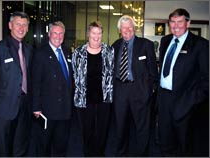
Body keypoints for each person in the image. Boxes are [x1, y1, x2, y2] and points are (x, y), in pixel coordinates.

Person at [157, 8, 209, 156]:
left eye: (180, 22)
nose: (176, 25)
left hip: (186, 102)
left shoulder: (201, 45)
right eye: (172, 22)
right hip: (164, 100)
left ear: (188, 23)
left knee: (185, 145)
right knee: (164, 141)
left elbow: (207, 79)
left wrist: (192, 101)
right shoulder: (165, 40)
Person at [0, 11, 33, 156]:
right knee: (3, 149)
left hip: (24, 106)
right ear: (10, 25)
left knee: (21, 146)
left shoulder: (29, 49)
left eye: (24, 25)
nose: (21, 28)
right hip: (3, 108)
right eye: (18, 24)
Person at [112, 15, 158, 156]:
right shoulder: (116, 45)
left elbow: (153, 72)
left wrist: (149, 90)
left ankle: (142, 154)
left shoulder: (146, 44)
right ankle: (121, 153)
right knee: (120, 126)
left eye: (130, 27)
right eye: (124, 28)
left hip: (140, 90)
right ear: (119, 30)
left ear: (134, 28)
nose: (127, 30)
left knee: (142, 127)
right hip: (120, 89)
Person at [30, 21, 73, 156]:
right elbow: (35, 82)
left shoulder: (67, 51)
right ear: (49, 34)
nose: (58, 36)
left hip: (65, 110)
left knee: (61, 146)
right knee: (44, 146)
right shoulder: (40, 53)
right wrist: (36, 106)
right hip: (47, 111)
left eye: (61, 33)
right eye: (55, 33)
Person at [72, 21, 114, 156]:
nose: (96, 36)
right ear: (88, 34)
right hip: (84, 100)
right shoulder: (78, 53)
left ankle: (100, 154)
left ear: (102, 34)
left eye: (99, 33)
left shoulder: (109, 51)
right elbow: (75, 74)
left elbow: (112, 72)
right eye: (93, 33)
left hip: (104, 99)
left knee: (102, 131)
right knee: (87, 131)